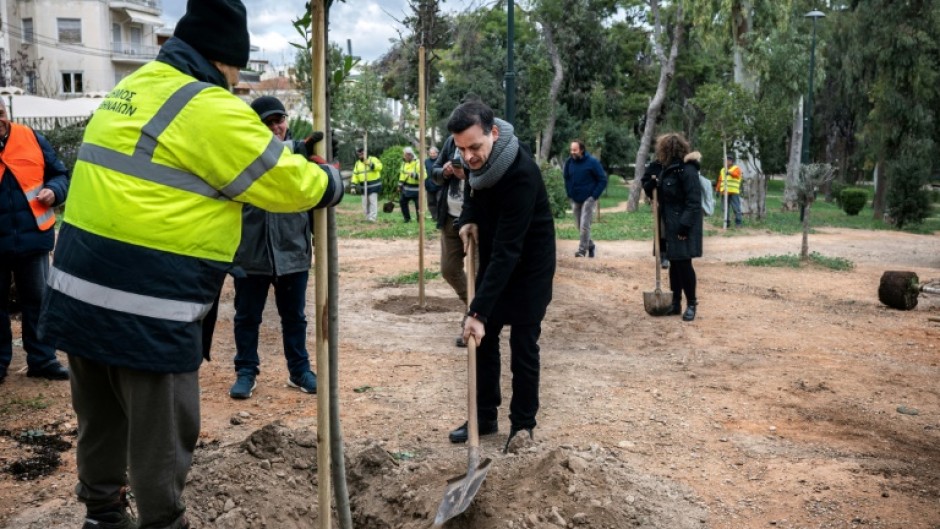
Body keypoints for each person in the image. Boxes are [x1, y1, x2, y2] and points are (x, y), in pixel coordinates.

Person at [37, 1, 343, 528]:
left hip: (77, 294)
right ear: (225, 61)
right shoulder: (207, 106)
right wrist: (330, 180)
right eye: (237, 73)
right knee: (161, 441)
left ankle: (103, 515)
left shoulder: (131, 89)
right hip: (147, 306)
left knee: (101, 421)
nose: (236, 84)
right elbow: (284, 183)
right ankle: (163, 522)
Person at [445, 100, 556, 450]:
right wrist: (467, 221)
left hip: (528, 269)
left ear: (493, 133)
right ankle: (484, 415)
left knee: (523, 346)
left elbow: (510, 249)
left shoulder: (521, 173)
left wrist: (476, 312)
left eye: (475, 147)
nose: (468, 157)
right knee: (485, 342)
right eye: (461, 149)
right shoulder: (478, 163)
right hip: (497, 257)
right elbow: (475, 195)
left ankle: (522, 426)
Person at [227, 96, 320, 400]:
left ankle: (299, 371)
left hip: (292, 250)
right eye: (267, 123)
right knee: (247, 317)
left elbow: (313, 199)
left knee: (295, 317)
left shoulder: (301, 157)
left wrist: (315, 239)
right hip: (250, 254)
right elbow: (267, 160)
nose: (276, 127)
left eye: (279, 120)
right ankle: (246, 371)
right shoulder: (242, 155)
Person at [0, 98, 70, 385]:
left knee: (39, 301)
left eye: (0, 112)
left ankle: (42, 360)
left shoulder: (30, 138)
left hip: (33, 240)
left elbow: (59, 174)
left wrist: (54, 191)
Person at [641, 133, 703, 322]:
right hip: (669, 224)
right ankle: (675, 303)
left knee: (684, 264)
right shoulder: (666, 170)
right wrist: (651, 186)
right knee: (674, 265)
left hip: (684, 225)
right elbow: (662, 193)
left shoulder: (687, 171)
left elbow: (693, 202)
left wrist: (684, 226)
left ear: (666, 150)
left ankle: (691, 303)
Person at [431, 136, 469, 347]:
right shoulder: (450, 142)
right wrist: (444, 171)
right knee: (449, 269)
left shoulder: (484, 141)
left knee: (479, 273)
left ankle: (473, 319)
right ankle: (474, 306)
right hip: (450, 217)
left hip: (477, 219)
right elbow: (434, 174)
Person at [563, 140, 607, 258]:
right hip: (575, 198)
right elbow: (566, 178)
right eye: (571, 150)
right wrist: (569, 193)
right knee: (578, 225)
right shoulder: (569, 162)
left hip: (588, 198)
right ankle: (590, 244)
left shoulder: (592, 162)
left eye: (575, 150)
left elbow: (602, 179)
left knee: (584, 225)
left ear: (581, 150)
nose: (572, 152)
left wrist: (594, 196)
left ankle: (582, 250)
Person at [351, 147, 383, 222]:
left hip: (374, 186)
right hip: (363, 187)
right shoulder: (357, 163)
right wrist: (353, 186)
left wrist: (370, 164)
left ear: (365, 153)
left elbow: (380, 167)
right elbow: (355, 175)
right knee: (365, 203)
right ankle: (367, 217)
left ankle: (372, 218)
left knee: (372, 202)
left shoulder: (373, 159)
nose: (360, 156)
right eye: (359, 155)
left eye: (362, 154)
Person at [716, 155, 743, 227]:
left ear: (731, 161)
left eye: (726, 160)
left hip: (733, 192)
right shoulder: (722, 170)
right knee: (725, 208)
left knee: (736, 208)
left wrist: (730, 173)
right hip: (724, 192)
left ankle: (738, 223)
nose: (724, 162)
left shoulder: (736, 168)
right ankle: (727, 222)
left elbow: (737, 175)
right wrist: (718, 190)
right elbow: (720, 180)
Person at [398, 146, 421, 223]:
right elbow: (401, 175)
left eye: (405, 155)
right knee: (402, 202)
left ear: (410, 155)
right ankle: (407, 219)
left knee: (418, 205)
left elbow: (424, 175)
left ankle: (419, 220)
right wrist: (399, 185)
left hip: (417, 189)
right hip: (406, 188)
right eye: (404, 155)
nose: (404, 156)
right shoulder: (404, 163)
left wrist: (413, 175)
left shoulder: (418, 163)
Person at [424, 146, 441, 224]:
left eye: (434, 153)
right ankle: (434, 216)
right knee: (431, 202)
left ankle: (440, 217)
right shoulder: (426, 161)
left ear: (437, 153)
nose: (432, 154)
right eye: (431, 153)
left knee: (439, 201)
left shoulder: (441, 160)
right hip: (429, 185)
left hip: (439, 184)